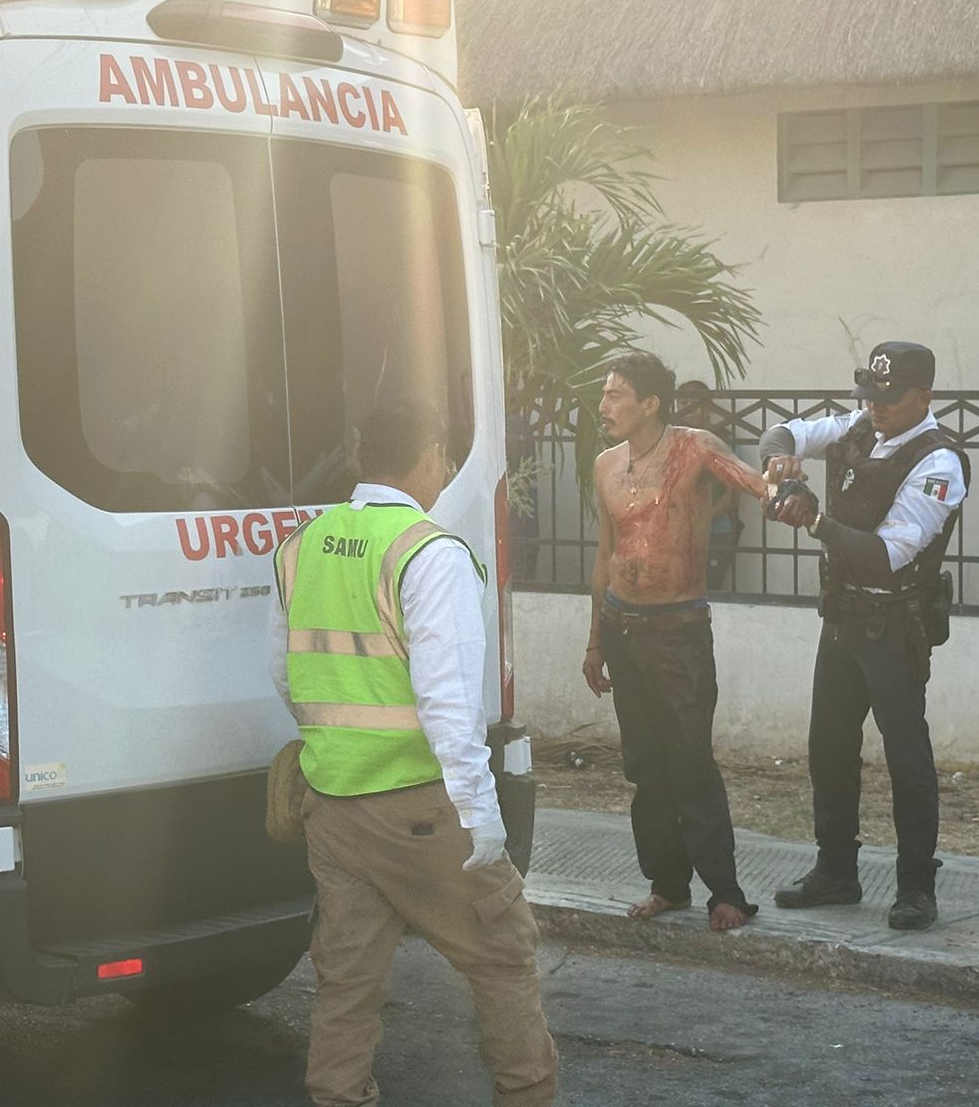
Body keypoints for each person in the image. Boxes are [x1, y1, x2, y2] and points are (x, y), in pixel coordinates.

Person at [272, 399, 557, 1107]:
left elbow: (285, 673)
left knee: (347, 980)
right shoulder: (427, 552)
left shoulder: (301, 545)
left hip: (333, 807)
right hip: (424, 811)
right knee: (504, 954)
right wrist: (482, 814)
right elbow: (450, 705)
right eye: (444, 455)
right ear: (429, 452)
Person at [758, 342, 969, 931]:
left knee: (906, 754)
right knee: (827, 745)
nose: (875, 407)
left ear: (924, 397)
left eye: (890, 397)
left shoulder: (939, 462)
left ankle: (915, 886)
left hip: (895, 623)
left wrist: (816, 520)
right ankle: (835, 870)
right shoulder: (858, 425)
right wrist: (779, 468)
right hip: (844, 618)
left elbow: (889, 557)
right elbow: (781, 433)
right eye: (870, 394)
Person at [582, 351, 772, 931]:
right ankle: (668, 884)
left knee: (691, 761)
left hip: (679, 630)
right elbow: (606, 554)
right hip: (622, 627)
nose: (604, 405)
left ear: (650, 404)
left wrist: (782, 482)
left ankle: (726, 892)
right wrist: (594, 642)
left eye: (616, 395)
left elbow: (755, 485)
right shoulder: (605, 465)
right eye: (605, 394)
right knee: (646, 766)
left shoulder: (695, 447)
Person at [675, 379, 746, 593]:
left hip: (716, 533)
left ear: (707, 408)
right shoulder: (671, 440)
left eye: (692, 403)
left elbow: (732, 495)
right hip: (676, 533)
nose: (685, 409)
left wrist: (703, 520)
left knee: (710, 594)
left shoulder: (723, 441)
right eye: (682, 402)